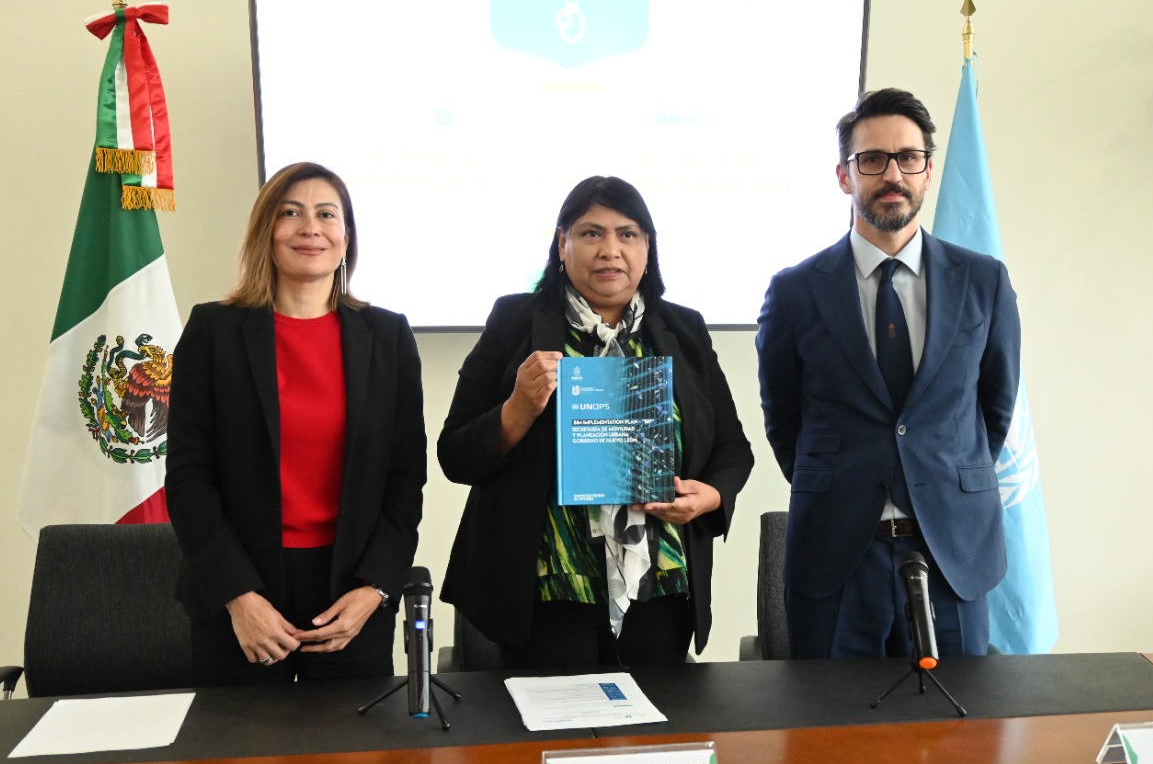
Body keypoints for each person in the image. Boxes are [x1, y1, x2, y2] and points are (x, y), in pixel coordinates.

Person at [439, 175, 753, 669]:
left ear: (648, 247)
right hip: (548, 591)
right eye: (591, 233)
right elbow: (454, 454)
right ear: (561, 243)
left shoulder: (684, 328)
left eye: (627, 234)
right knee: (552, 720)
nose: (610, 249)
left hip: (660, 589)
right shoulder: (514, 321)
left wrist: (709, 496)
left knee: (657, 721)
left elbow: (733, 449)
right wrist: (518, 408)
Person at [756, 88, 1020, 660]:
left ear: (928, 171)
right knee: (830, 715)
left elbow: (994, 410)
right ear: (844, 176)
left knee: (958, 718)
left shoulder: (984, 282)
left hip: (952, 550)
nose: (893, 174)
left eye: (908, 158)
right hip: (837, 557)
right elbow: (784, 421)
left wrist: (939, 472)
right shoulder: (795, 292)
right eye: (872, 159)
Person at [166, 161, 426, 684]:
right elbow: (189, 478)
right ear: (266, 231)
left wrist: (375, 589)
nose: (311, 228)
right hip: (241, 597)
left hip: (350, 599)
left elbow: (405, 481)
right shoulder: (213, 332)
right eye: (291, 213)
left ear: (346, 238)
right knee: (240, 740)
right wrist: (239, 597)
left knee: (351, 740)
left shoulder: (388, 337)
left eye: (327, 215)